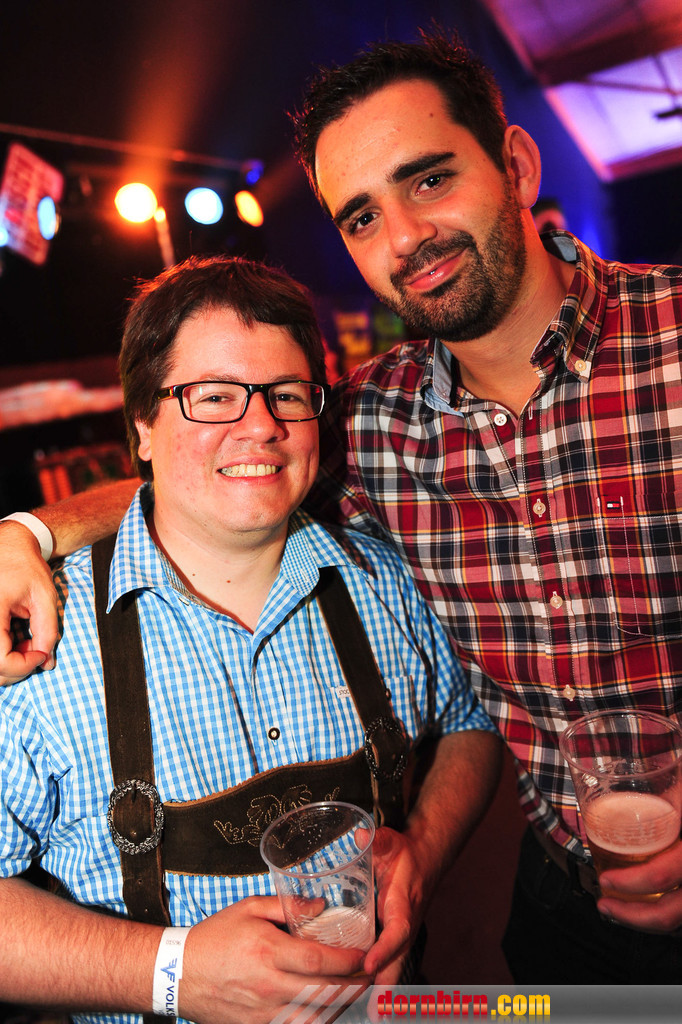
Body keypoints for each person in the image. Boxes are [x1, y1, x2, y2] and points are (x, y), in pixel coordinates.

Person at [1, 27, 681, 982]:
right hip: (565, 908)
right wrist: (28, 531)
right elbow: (215, 477)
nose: (403, 238)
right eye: (361, 217)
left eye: (430, 179)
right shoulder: (372, 420)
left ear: (518, 165)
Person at [0, 254, 498, 1024]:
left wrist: (423, 851)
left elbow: (469, 721)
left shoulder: (387, 582)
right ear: (143, 426)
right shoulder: (34, 637)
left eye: (286, 395)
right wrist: (172, 973)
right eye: (214, 397)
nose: (261, 426)